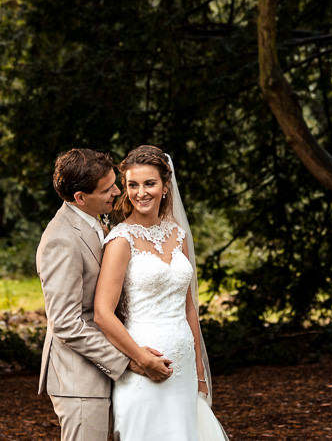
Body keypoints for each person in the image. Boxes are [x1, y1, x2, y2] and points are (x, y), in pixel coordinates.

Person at [94, 144, 229, 441]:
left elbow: (189, 308)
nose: (141, 192)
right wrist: (140, 358)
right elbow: (103, 314)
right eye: (133, 185)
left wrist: (199, 371)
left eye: (149, 183)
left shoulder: (178, 236)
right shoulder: (120, 240)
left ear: (166, 186)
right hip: (144, 365)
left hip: (182, 368)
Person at [37, 148, 173, 441]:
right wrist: (127, 360)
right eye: (107, 188)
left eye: (114, 182)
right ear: (80, 198)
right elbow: (65, 323)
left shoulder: (96, 221)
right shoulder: (61, 239)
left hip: (105, 376)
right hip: (80, 383)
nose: (117, 191)